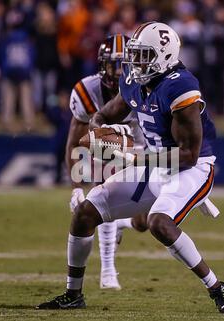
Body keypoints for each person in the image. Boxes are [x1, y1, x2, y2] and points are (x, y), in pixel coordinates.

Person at [37, 23, 224, 314]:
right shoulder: (134, 80)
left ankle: (218, 287)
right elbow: (104, 115)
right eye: (135, 54)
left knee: (159, 223)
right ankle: (73, 294)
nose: (135, 62)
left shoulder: (181, 86)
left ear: (164, 55)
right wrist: (100, 133)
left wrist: (135, 157)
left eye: (144, 55)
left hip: (191, 169)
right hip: (153, 163)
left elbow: (189, 155)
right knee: (85, 213)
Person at [65, 34, 147, 290]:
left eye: (125, 64)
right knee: (106, 186)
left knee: (146, 223)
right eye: (115, 64)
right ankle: (108, 271)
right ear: (102, 65)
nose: (120, 71)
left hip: (142, 151)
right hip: (105, 150)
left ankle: (120, 221)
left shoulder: (145, 87)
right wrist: (77, 186)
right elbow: (74, 141)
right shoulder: (87, 91)